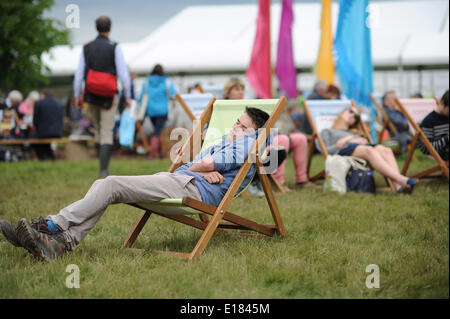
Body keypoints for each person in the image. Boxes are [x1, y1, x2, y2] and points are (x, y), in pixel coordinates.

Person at [0, 107, 270, 261]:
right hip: (183, 179)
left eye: (241, 126)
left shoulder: (249, 143)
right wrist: (204, 165)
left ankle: (50, 226)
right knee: (105, 184)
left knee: (110, 184)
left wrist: (205, 167)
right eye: (235, 122)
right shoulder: (229, 141)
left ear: (254, 132)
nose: (234, 128)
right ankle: (58, 243)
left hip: (192, 188)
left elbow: (204, 164)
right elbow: (201, 161)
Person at [73, 15, 131, 178]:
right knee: (107, 131)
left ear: (96, 28)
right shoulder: (115, 47)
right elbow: (123, 74)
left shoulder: (87, 47)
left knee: (98, 130)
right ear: (109, 28)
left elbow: (78, 76)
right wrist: (127, 95)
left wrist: (78, 96)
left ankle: (101, 166)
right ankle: (103, 170)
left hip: (91, 94)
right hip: (109, 96)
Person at [320, 105, 418, 194]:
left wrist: (361, 140)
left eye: (356, 117)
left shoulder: (354, 133)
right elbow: (325, 150)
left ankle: (398, 187)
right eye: (351, 111)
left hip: (360, 149)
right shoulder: (327, 131)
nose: (353, 116)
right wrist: (343, 142)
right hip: (343, 151)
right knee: (370, 151)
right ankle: (402, 180)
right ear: (342, 112)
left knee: (386, 150)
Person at [138, 64, 177, 159]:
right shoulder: (166, 81)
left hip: (151, 110)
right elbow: (174, 94)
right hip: (162, 110)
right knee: (157, 131)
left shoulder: (146, 82)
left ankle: (161, 152)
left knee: (158, 130)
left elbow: (141, 97)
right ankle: (153, 153)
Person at [31, 88, 64, 160]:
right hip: (58, 132)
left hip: (44, 133)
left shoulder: (39, 103)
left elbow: (35, 122)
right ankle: (51, 157)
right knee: (44, 142)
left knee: (31, 139)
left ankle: (43, 158)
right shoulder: (59, 103)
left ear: (43, 95)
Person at [418, 90, 449, 161]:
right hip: (441, 152)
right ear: (442, 103)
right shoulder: (428, 121)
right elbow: (426, 149)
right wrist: (447, 139)